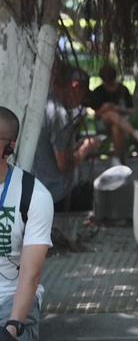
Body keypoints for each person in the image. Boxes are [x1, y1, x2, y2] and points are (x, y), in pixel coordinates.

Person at [0, 107, 54, 340]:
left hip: (10, 300)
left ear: (9, 146)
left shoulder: (33, 195)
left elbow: (31, 274)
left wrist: (12, 327)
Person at [33, 63, 102, 212]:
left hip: (37, 188)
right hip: (55, 195)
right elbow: (64, 165)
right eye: (83, 94)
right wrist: (85, 150)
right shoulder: (59, 114)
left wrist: (76, 147)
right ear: (75, 87)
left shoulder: (45, 103)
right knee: (92, 196)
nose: (81, 100)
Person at [87, 64, 138, 166]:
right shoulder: (98, 91)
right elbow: (94, 112)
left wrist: (118, 109)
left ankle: (116, 159)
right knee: (109, 113)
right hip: (103, 122)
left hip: (121, 122)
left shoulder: (122, 90)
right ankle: (135, 133)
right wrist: (104, 108)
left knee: (116, 128)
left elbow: (130, 110)